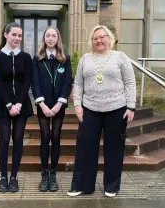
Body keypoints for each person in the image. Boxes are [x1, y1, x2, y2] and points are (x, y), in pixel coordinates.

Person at [67, 25, 136, 198]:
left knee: (114, 149)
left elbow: (130, 83)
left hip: (117, 109)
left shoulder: (120, 57)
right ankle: (83, 185)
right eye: (95, 38)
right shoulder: (85, 59)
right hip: (89, 109)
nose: (99, 40)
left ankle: (111, 186)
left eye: (102, 37)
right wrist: (77, 104)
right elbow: (79, 83)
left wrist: (131, 106)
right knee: (85, 148)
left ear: (109, 38)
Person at [0, 22, 33, 193]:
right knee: (4, 140)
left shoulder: (26, 57)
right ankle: (3, 176)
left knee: (18, 140)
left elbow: (27, 81)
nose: (17, 38)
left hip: (21, 104)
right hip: (2, 104)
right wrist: (9, 105)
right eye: (14, 34)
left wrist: (19, 103)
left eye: (19, 35)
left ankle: (14, 177)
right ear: (6, 34)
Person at [31, 26, 73, 192]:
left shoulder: (65, 59)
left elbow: (67, 82)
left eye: (53, 35)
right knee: (45, 137)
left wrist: (58, 104)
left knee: (56, 137)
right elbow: (34, 83)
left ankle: (53, 173)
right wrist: (41, 103)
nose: (50, 38)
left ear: (58, 38)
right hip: (43, 104)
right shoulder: (37, 59)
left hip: (58, 105)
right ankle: (44, 174)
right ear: (44, 38)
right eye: (47, 35)